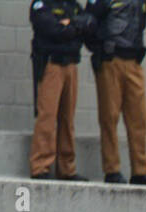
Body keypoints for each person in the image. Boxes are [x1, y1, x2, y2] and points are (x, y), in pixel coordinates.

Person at [84, 0, 146, 185]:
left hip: (133, 60)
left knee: (139, 119)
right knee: (109, 117)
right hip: (111, 59)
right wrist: (101, 49)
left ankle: (140, 171)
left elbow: (140, 25)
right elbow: (88, 23)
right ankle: (112, 170)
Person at [29, 0, 94, 181]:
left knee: (67, 119)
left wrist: (70, 24)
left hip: (71, 64)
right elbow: (52, 31)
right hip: (51, 64)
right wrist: (76, 26)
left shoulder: (72, 5)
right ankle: (40, 166)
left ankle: (67, 169)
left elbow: (89, 24)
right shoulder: (42, 4)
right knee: (47, 116)